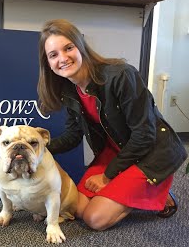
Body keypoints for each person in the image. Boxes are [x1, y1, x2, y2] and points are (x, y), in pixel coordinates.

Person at [37, 19, 188, 231]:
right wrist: (35, 147)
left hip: (151, 152)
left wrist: (108, 176)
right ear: (48, 63)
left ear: (80, 45)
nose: (62, 58)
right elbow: (73, 135)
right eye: (53, 55)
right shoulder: (69, 89)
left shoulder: (121, 75)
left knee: (95, 219)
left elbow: (144, 135)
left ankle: (159, 192)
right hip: (117, 151)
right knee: (76, 207)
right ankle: (134, 192)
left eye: (68, 48)